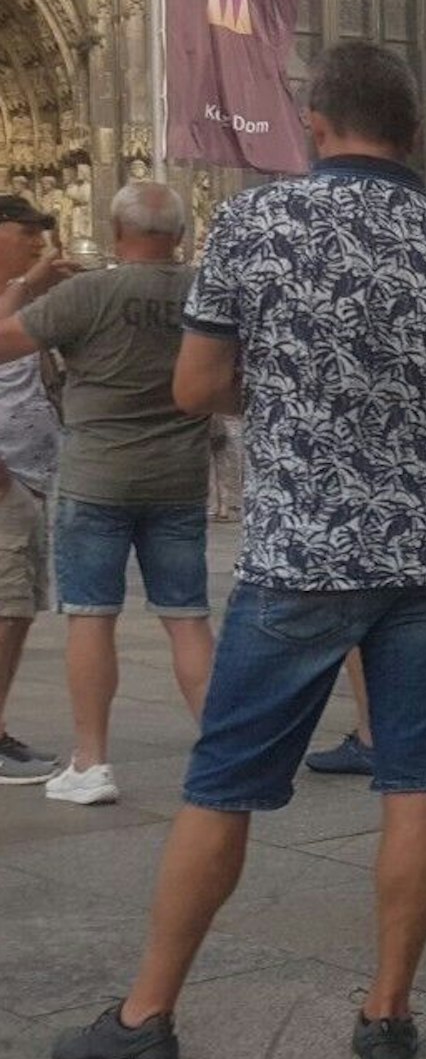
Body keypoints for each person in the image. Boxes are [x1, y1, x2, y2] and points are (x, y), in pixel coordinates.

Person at [49, 40, 426, 1059]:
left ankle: (145, 1016)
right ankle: (387, 1014)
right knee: (419, 778)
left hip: (304, 552)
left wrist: (292, 394)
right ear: (416, 132)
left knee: (222, 784)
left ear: (316, 128)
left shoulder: (258, 225)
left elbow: (194, 387)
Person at [0, 182, 214, 806]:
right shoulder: (205, 292)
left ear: (117, 232)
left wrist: (27, 285)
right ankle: (224, 754)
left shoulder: (87, 293)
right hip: (179, 477)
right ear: (180, 235)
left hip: (97, 477)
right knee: (188, 618)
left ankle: (91, 763)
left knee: (91, 617)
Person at [0, 194, 64, 787]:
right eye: (27, 232)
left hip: (29, 477)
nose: (38, 243)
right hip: (6, 479)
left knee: (18, 610)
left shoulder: (21, 299)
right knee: (7, 608)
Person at [208, 415, 243, 523]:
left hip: (214, 422)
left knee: (229, 467)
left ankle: (220, 507)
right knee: (232, 466)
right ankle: (228, 507)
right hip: (229, 423)